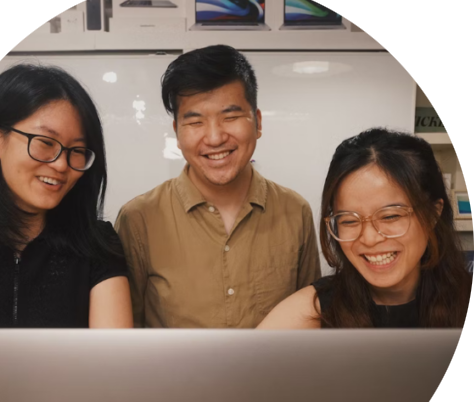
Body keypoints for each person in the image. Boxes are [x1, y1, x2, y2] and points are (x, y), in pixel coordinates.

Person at [115, 45, 320, 328]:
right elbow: (126, 337)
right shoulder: (139, 218)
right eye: (195, 121)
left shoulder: (295, 211)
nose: (214, 138)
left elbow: (309, 322)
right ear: (176, 132)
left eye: (231, 117)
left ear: (257, 122)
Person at [0, 64, 133, 329]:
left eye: (77, 150)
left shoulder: (97, 245)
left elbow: (114, 363)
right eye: (46, 143)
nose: (61, 165)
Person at [259, 128, 474, 329]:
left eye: (390, 216)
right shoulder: (311, 310)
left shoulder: (467, 301)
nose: (369, 238)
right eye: (349, 221)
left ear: (433, 213)